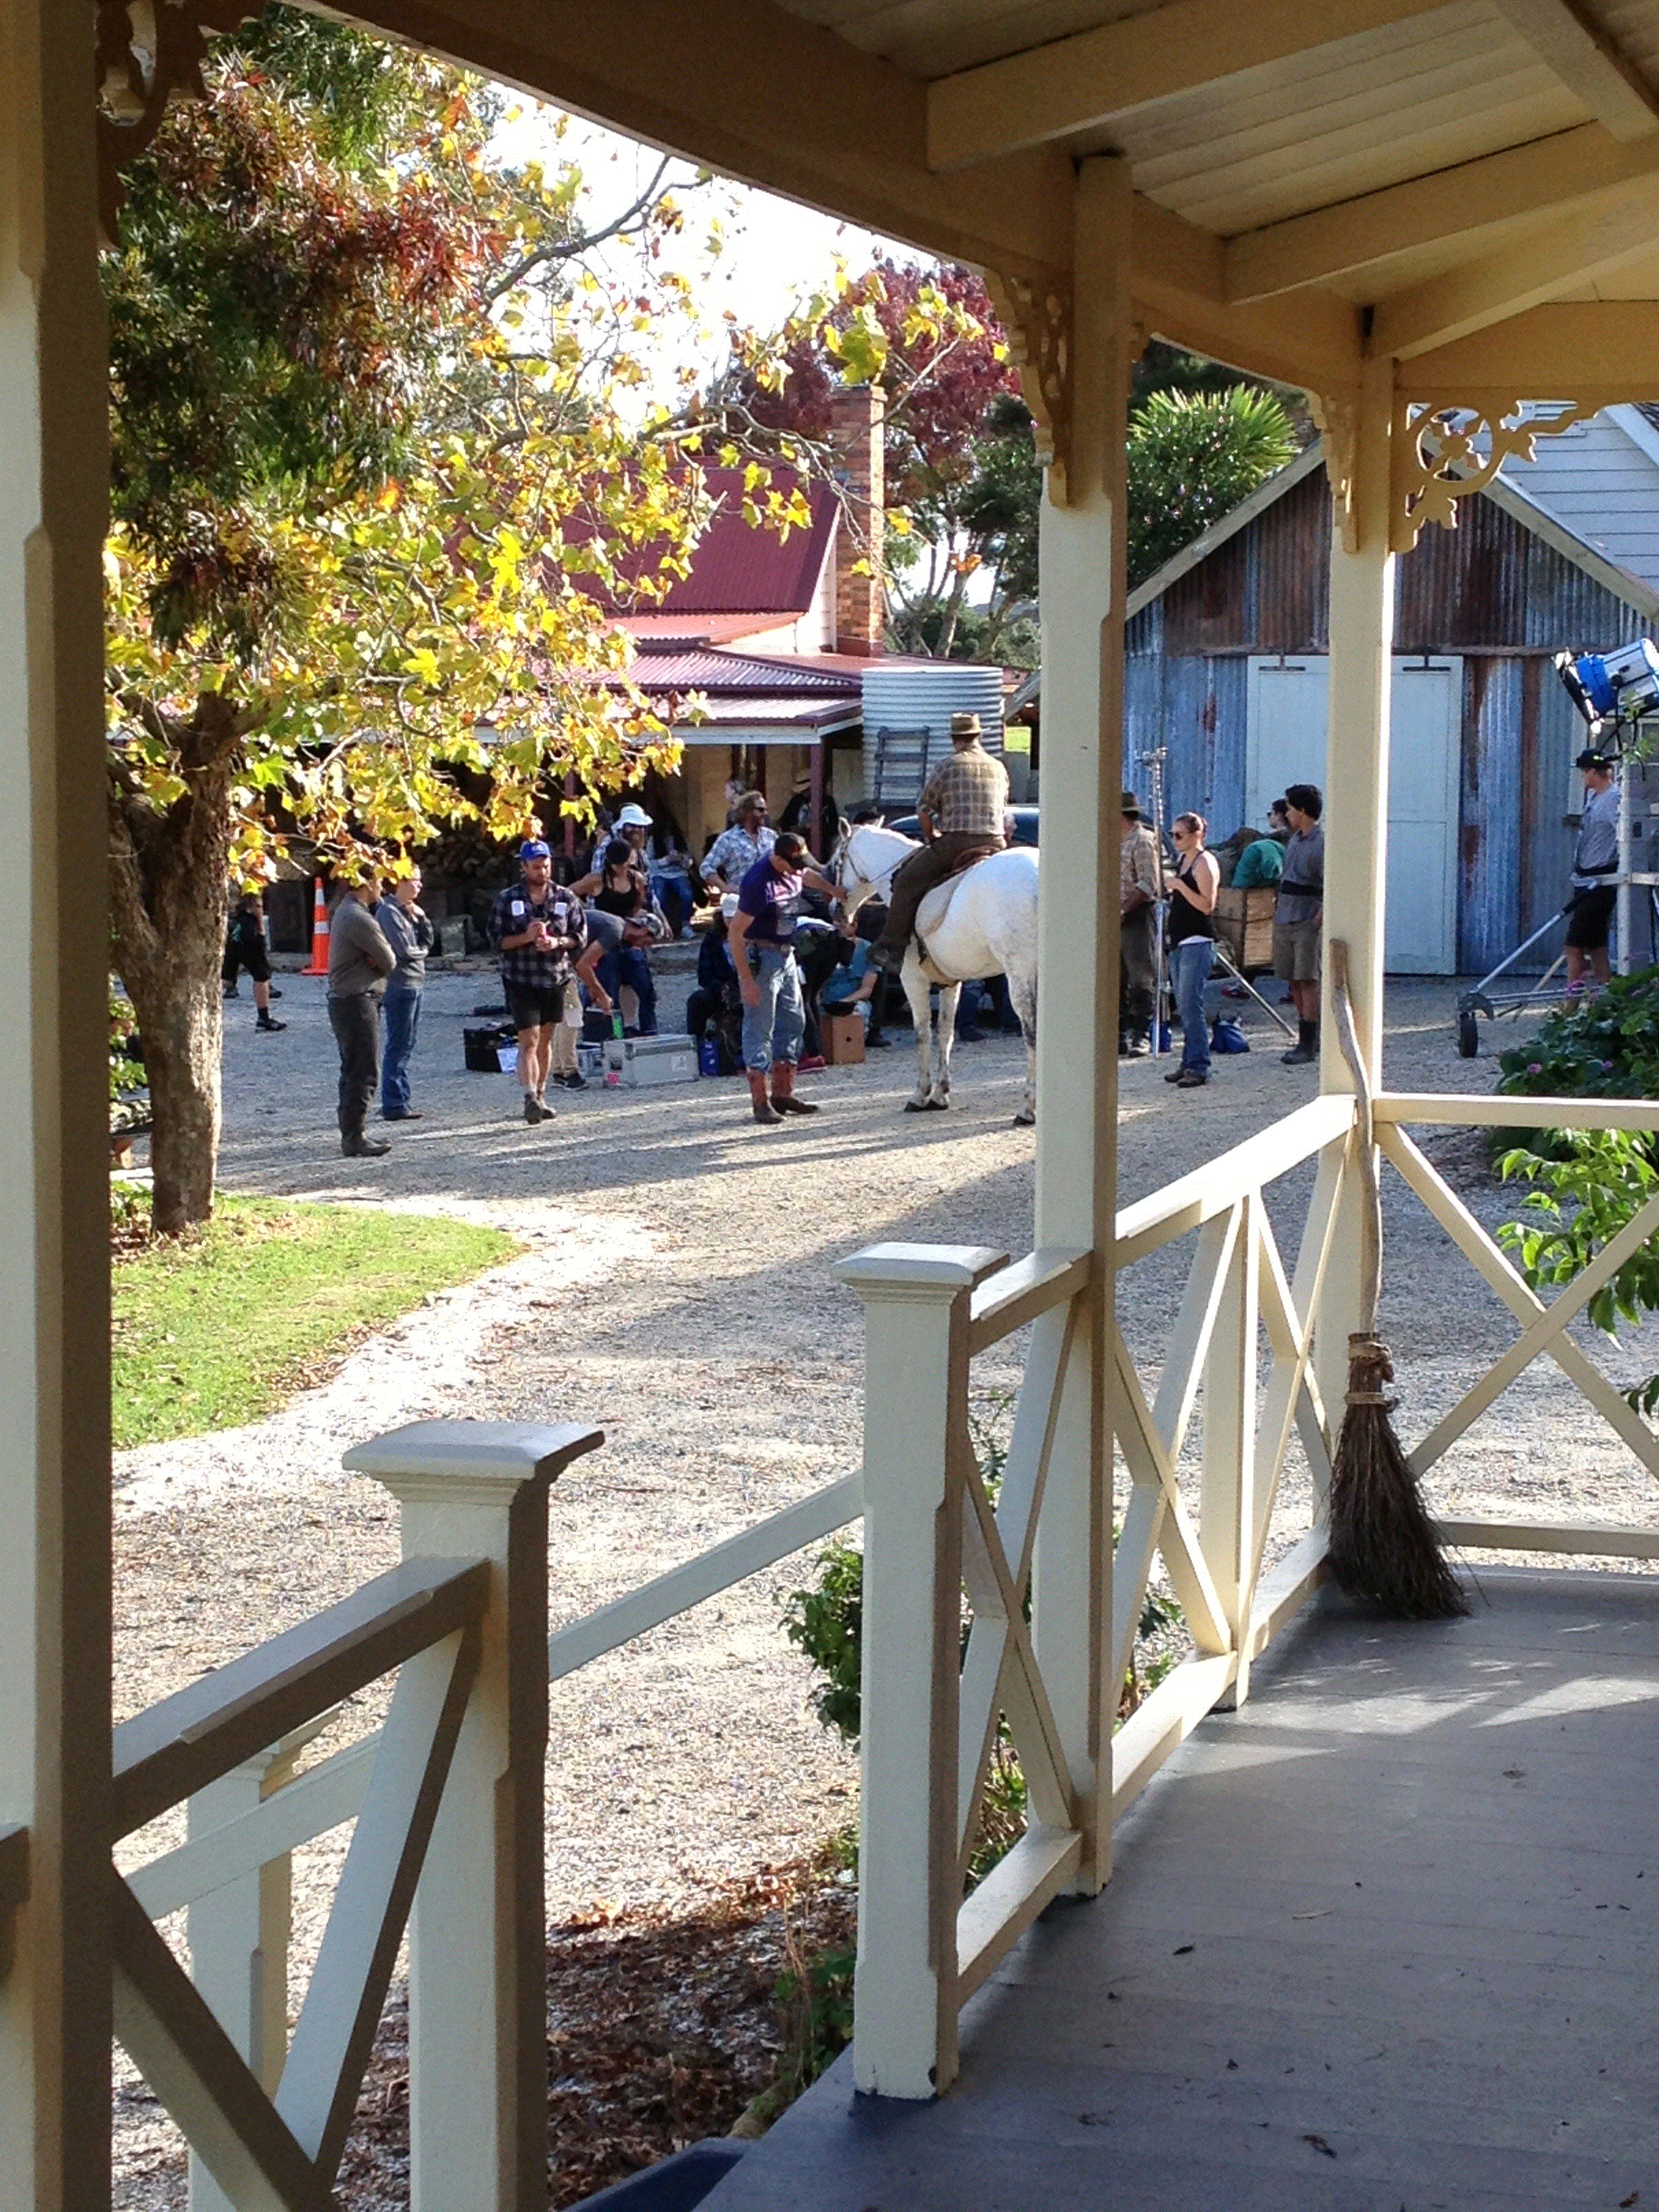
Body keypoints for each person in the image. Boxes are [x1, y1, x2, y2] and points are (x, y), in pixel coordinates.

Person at [874, 713, 1010, 968]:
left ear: (953, 740)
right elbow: (1004, 810)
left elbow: (924, 808)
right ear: (979, 736)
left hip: (957, 842)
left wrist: (932, 836)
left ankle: (892, 947)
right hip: (996, 841)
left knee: (906, 882)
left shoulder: (947, 766)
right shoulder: (998, 766)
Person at [728, 829, 840, 1125]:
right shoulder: (758, 883)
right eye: (793, 865)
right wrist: (746, 981)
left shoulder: (794, 868)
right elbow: (736, 933)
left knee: (794, 1020)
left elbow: (806, 878)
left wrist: (833, 890)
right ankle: (760, 1102)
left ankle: (783, 1093)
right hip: (761, 957)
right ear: (777, 859)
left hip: (786, 954)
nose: (798, 870)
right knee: (760, 1027)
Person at [490, 838, 587, 1125]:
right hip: (520, 978)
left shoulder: (566, 898)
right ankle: (529, 1096)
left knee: (545, 1040)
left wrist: (556, 941)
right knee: (528, 1039)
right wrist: (527, 939)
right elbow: (497, 941)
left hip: (554, 977)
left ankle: (542, 1095)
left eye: (546, 865)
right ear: (524, 868)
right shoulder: (508, 900)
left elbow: (579, 936)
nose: (542, 871)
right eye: (535, 866)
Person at [327, 865, 396, 1157]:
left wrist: (375, 960)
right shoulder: (358, 916)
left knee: (353, 1066)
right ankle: (355, 1136)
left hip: (349, 998)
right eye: (379, 881)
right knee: (363, 1068)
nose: (382, 887)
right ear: (368, 883)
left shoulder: (346, 911)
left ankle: (353, 1131)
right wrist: (376, 960)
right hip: (357, 1000)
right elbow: (390, 959)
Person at [1164, 813, 1220, 1090]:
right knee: (1183, 1006)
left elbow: (1207, 905)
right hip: (1180, 941)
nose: (1174, 840)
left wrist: (1180, 886)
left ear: (1196, 835)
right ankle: (1189, 1061)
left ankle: (1199, 1065)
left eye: (1179, 835)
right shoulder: (1183, 860)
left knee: (1191, 1005)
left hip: (1197, 941)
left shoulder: (1204, 863)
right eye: (1172, 834)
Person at [374, 867, 433, 1121]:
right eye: (414, 882)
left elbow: (429, 939)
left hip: (415, 981)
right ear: (399, 882)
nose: (419, 887)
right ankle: (394, 1102)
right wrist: (424, 952)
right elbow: (405, 951)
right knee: (399, 1043)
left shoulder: (409, 911)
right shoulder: (388, 911)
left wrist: (421, 919)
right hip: (400, 984)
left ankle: (400, 1096)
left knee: (407, 1042)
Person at [1274, 783, 1325, 1066]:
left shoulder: (1322, 843)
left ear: (1303, 810)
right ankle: (1305, 1035)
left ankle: (1309, 1042)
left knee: (1308, 979)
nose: (1288, 815)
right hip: (1285, 916)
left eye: (1291, 809)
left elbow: (1331, 881)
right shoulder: (1294, 840)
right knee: (1291, 979)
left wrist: (1319, 918)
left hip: (1306, 918)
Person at [1566, 747, 1621, 990]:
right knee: (1596, 945)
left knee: (1574, 945)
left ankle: (1571, 1005)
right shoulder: (1594, 798)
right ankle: (1608, 998)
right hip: (1584, 880)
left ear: (1595, 772)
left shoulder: (1613, 799)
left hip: (1600, 882)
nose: (1582, 778)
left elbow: (1625, 836)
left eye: (1584, 772)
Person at [1120, 790, 1162, 1057]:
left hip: (1136, 914)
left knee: (1140, 976)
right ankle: (1117, 1033)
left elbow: (1148, 883)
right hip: (1113, 913)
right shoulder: (1110, 839)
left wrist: (1123, 909)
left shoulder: (1142, 840)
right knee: (1114, 977)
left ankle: (1141, 1034)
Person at [221, 892, 285, 1033]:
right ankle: (264, 1017)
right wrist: (261, 929)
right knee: (261, 976)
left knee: (225, 975)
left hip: (232, 933)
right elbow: (256, 910)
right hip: (249, 936)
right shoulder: (252, 884)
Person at [701, 790, 775, 896]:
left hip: (770, 899)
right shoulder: (728, 839)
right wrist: (725, 887)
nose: (765, 814)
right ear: (746, 812)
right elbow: (706, 868)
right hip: (742, 902)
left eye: (766, 810)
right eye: (761, 810)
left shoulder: (771, 836)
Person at [1231, 814, 1288, 890]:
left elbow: (1240, 884)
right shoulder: (1291, 839)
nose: (1268, 817)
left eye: (1270, 814)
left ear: (1279, 816)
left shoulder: (1255, 848)